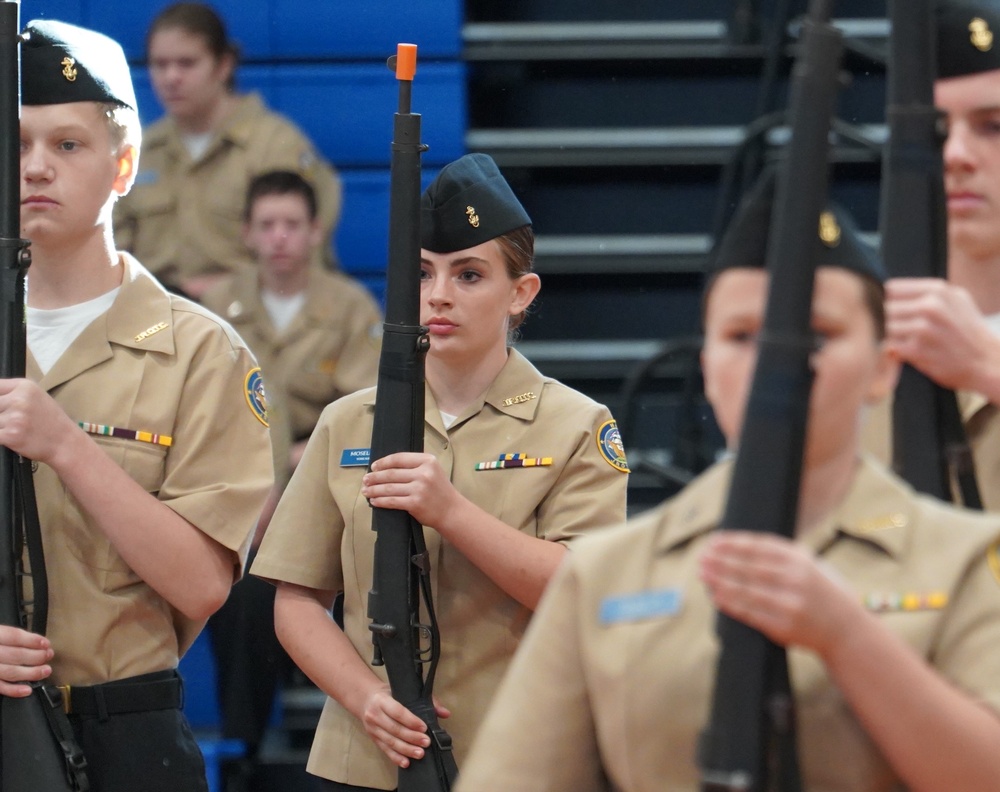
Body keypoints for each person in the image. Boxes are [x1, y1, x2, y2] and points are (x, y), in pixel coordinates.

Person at [456, 172, 1000, 792]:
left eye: (817, 334)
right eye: (743, 337)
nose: (779, 360)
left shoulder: (966, 560)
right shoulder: (608, 574)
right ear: (709, 370)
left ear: (883, 368)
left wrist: (846, 638)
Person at [250, 152, 630, 791]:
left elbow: (584, 588)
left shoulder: (575, 426)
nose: (439, 296)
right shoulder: (349, 422)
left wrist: (451, 513)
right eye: (422, 274)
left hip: (522, 758)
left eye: (470, 275)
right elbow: (297, 599)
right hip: (367, 758)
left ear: (521, 293)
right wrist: (367, 698)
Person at [0, 19, 273, 791]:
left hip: (125, 735)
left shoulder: (200, 352)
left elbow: (202, 585)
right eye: (16, 144)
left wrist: (67, 445)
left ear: (123, 166)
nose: (35, 168)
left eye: (68, 145)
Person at [200, 170, 382, 784]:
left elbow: (365, 417)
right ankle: (242, 747)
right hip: (240, 492)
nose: (279, 238)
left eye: (292, 225)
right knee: (238, 584)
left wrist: (298, 468)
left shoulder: (350, 307)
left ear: (315, 232)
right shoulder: (215, 309)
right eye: (267, 225)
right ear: (248, 233)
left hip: (326, 487)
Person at [113, 2, 342, 300]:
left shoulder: (276, 146)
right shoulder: (138, 151)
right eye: (159, 64)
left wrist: (226, 291)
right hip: (153, 318)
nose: (171, 77)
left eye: (186, 63)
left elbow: (308, 260)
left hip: (250, 324)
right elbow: (111, 251)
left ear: (224, 65)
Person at [870, 0, 1000, 509]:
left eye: (994, 126)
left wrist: (988, 367)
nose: (957, 155)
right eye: (937, 130)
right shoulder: (852, 342)